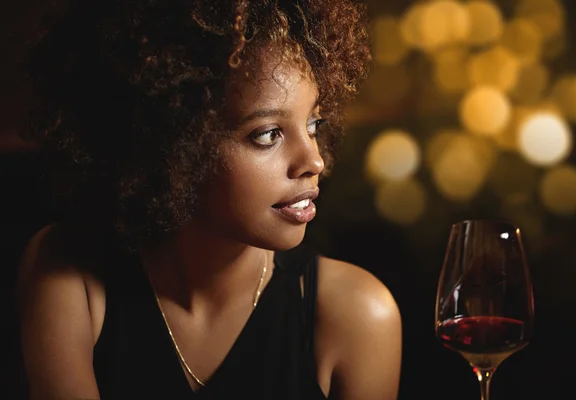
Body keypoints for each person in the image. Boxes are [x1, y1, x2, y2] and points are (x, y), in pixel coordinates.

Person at [17, 0, 402, 399]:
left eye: (313, 124)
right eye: (268, 134)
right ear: (174, 142)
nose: (314, 160)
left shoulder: (357, 314)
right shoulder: (70, 276)